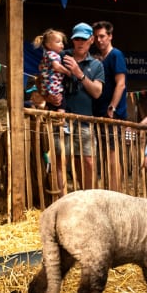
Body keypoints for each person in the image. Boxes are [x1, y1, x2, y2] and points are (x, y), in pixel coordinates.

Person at [46, 22, 104, 194]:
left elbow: (97, 93)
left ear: (91, 40)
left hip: (84, 121)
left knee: (87, 161)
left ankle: (86, 200)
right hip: (61, 119)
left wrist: (79, 73)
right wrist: (48, 95)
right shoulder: (60, 56)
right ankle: (61, 201)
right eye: (76, 38)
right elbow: (42, 78)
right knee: (59, 160)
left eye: (83, 39)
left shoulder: (96, 65)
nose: (79, 42)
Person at [92, 21, 128, 192]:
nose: (99, 40)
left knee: (113, 154)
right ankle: (108, 190)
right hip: (99, 112)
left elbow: (121, 84)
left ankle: (116, 192)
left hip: (113, 114)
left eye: (102, 36)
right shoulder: (99, 59)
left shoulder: (116, 55)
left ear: (110, 36)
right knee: (105, 154)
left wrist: (112, 107)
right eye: (96, 36)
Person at [32, 29, 70, 112]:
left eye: (62, 42)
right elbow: (56, 66)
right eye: (58, 42)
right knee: (61, 105)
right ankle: (62, 120)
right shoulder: (53, 54)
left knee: (50, 106)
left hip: (46, 87)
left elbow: (40, 68)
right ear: (48, 45)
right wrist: (67, 72)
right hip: (54, 85)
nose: (61, 44)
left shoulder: (46, 56)